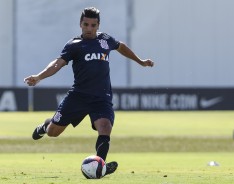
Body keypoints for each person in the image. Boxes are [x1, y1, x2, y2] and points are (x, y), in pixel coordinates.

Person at [24, 7, 154, 176]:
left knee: (105, 126)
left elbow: (120, 46)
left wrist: (141, 61)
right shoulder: (74, 45)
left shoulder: (106, 40)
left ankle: (100, 166)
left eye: (93, 25)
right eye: (86, 24)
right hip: (78, 96)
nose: (89, 28)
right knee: (53, 133)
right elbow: (58, 63)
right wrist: (39, 76)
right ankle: (46, 125)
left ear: (98, 25)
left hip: (101, 97)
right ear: (80, 24)